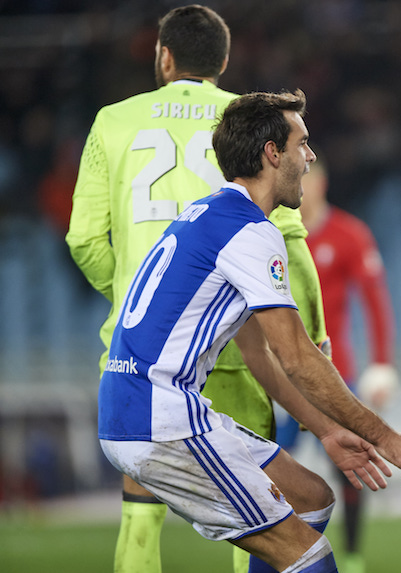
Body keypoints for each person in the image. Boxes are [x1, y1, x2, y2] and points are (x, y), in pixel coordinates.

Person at [98, 89, 401, 573]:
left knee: (312, 498)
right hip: (159, 420)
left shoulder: (209, 214)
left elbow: (260, 356)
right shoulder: (251, 232)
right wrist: (385, 436)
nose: (310, 157)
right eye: (302, 144)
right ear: (273, 153)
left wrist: (329, 431)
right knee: (311, 556)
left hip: (138, 407)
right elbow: (298, 356)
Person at [64, 7, 329, 573]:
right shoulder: (248, 122)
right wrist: (316, 335)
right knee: (260, 508)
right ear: (223, 61)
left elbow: (83, 239)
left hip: (146, 357)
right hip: (237, 341)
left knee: (140, 517)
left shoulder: (113, 121)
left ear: (164, 57)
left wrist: (141, 302)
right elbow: (291, 243)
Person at [276, 157, 398, 573]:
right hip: (279, 376)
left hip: (333, 373)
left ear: (321, 184)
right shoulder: (272, 233)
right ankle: (279, 551)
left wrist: (381, 364)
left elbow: (375, 302)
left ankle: (353, 555)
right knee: (271, 471)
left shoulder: (348, 234)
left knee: (351, 467)